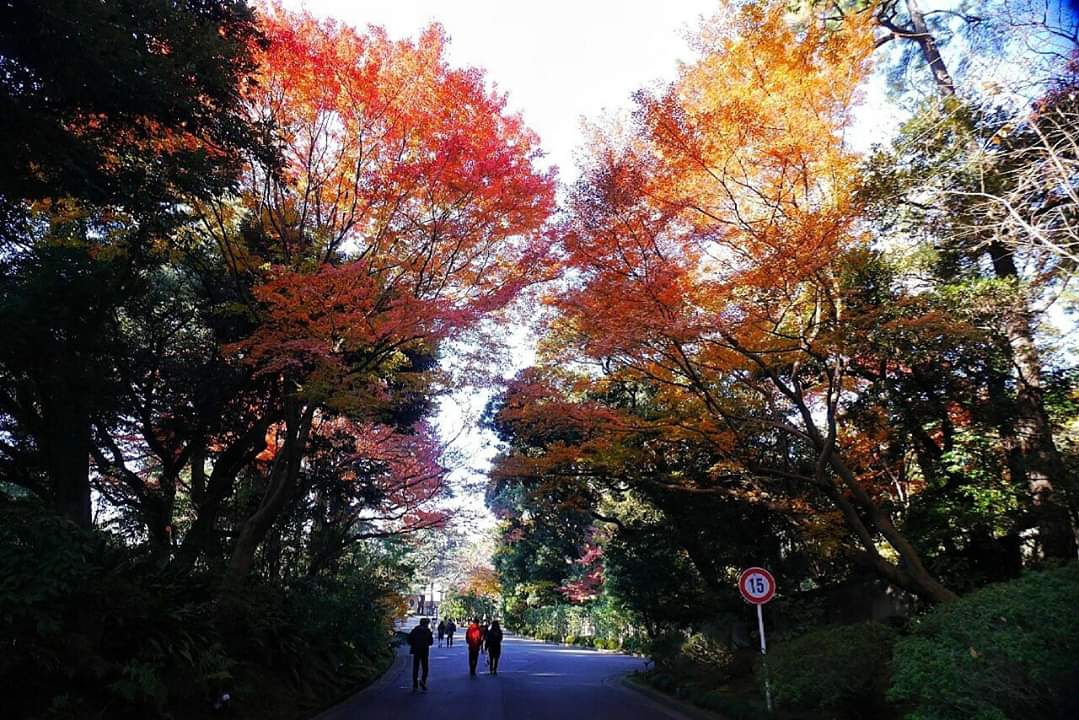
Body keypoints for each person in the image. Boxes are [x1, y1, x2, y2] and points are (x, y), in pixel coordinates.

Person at [407, 618, 434, 693]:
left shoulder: (415, 629)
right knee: (425, 667)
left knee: (415, 667)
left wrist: (413, 644)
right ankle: (423, 681)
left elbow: (409, 639)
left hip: (416, 650)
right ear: (426, 623)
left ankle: (415, 685)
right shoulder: (427, 630)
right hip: (424, 651)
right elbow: (431, 642)